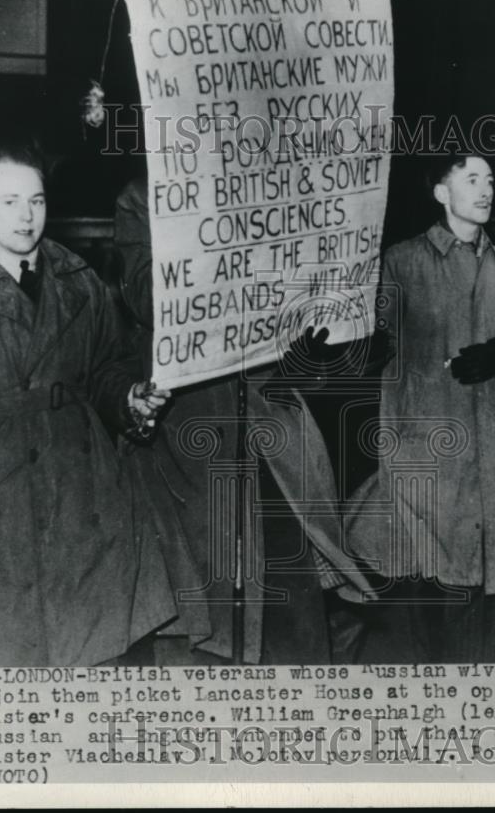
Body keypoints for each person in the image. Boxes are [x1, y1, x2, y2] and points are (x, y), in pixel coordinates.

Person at [0, 146, 177, 666]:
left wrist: (129, 397)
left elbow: (106, 367)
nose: (26, 216)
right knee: (0, 651)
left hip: (80, 484)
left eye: (37, 201)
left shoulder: (79, 281)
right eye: (11, 201)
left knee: (96, 649)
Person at [112, 177, 373, 665]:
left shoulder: (260, 189)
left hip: (270, 422)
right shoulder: (142, 198)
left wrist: (308, 331)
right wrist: (213, 242)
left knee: (294, 595)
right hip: (192, 425)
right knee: (205, 610)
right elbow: (148, 296)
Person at [344, 154, 495, 663]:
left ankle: (478, 705)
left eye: (490, 181)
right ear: (441, 193)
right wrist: (363, 346)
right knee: (429, 591)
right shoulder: (401, 262)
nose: (485, 190)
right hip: (426, 454)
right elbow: (369, 342)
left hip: (493, 453)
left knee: (489, 591)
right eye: (471, 180)